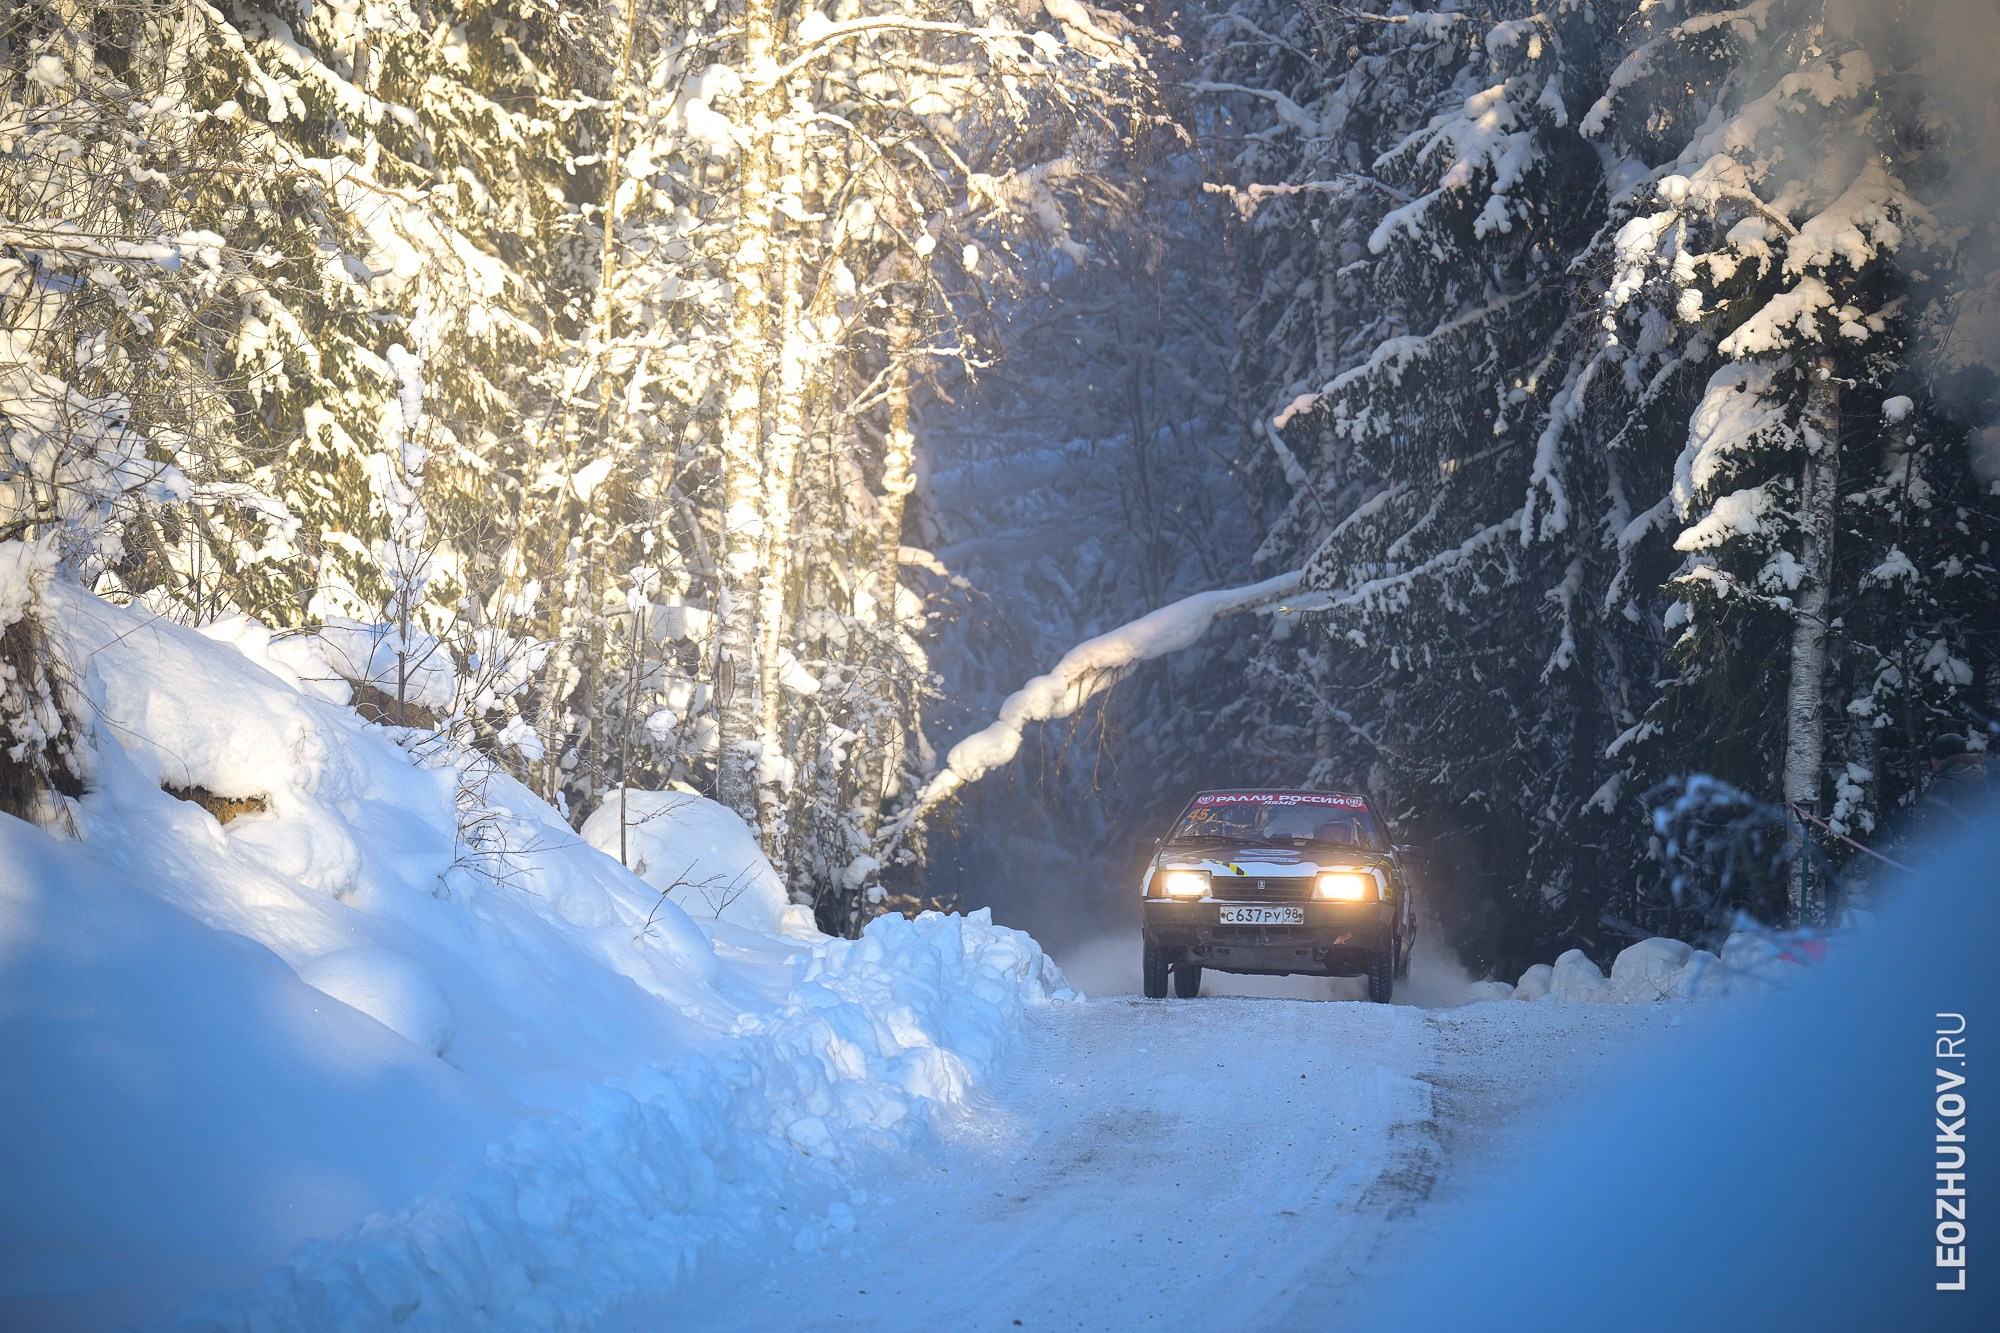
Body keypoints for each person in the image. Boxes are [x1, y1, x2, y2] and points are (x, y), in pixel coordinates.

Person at [1923, 733, 1990, 827]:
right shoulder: (1978, 775)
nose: (1931, 761)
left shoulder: (1944, 784)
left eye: (1933, 757)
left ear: (1942, 758)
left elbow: (1938, 829)